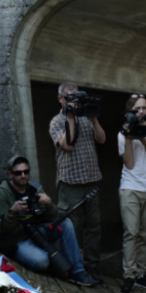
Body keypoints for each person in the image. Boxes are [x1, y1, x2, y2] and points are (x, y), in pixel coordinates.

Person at [0, 156, 100, 286]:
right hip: (17, 239)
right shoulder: (2, 193)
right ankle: (51, 263)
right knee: (42, 261)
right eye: (18, 173)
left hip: (36, 231)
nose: (23, 175)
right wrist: (13, 212)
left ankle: (78, 272)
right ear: (10, 174)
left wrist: (49, 204)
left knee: (66, 223)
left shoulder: (34, 187)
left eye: (26, 172)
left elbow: (54, 217)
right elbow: (2, 229)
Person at [49, 82, 106, 278]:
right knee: (71, 227)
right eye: (69, 97)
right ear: (60, 99)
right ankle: (72, 267)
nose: (74, 101)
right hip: (70, 182)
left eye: (76, 97)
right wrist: (71, 118)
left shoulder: (87, 118)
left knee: (93, 226)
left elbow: (102, 139)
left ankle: (92, 266)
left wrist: (94, 119)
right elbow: (68, 145)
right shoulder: (57, 121)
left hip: (91, 180)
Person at [117, 94, 146, 293]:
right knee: (132, 232)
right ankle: (128, 275)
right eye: (137, 109)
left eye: (144, 108)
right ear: (130, 111)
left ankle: (141, 275)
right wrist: (129, 138)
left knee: (144, 235)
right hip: (130, 186)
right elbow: (129, 163)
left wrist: (142, 138)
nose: (141, 112)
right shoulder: (122, 133)